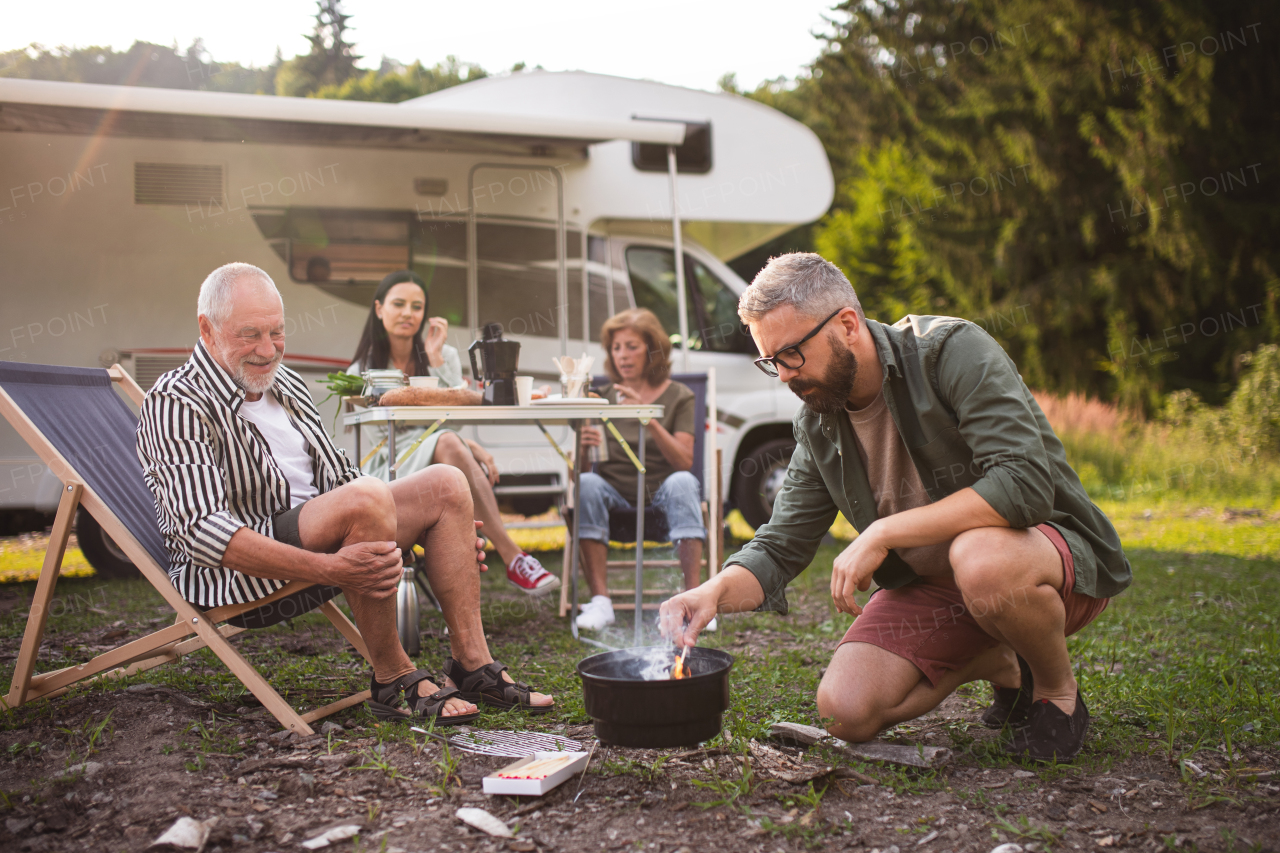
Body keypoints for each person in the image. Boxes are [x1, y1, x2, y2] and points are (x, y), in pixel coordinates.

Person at [659, 253, 1131, 762]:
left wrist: (883, 533)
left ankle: (1056, 695)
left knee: (981, 558)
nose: (784, 377)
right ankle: (1000, 659)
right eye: (772, 361)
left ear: (846, 324)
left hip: (1037, 564)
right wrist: (711, 593)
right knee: (844, 712)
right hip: (935, 588)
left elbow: (1022, 484)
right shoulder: (817, 422)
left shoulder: (950, 351)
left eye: (792, 353)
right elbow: (779, 546)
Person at [136, 262, 554, 726]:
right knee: (366, 498)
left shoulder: (286, 384)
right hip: (238, 576)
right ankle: (393, 676)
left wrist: (438, 536)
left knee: (447, 482)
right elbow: (201, 532)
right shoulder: (177, 400)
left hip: (327, 536)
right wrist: (331, 568)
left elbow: (340, 476)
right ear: (207, 329)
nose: (268, 349)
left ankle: (472, 664)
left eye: (277, 332)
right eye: (249, 334)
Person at [348, 270, 559, 597]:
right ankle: (513, 556)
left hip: (441, 453)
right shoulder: (363, 370)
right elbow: (383, 438)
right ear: (379, 309)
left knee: (449, 443)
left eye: (417, 306)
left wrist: (433, 362)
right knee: (449, 443)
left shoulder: (441, 354)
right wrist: (468, 444)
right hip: (389, 465)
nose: (408, 313)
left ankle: (510, 561)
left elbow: (456, 418)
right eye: (399, 304)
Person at [574, 308, 708, 632]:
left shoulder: (680, 395)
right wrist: (582, 448)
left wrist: (645, 416)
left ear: (652, 349)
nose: (622, 355)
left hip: (663, 500)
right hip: (615, 501)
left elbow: (683, 460)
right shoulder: (598, 398)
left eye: (631, 346)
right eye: (616, 347)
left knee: (684, 481)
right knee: (586, 483)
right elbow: (578, 473)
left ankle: (693, 598)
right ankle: (601, 603)